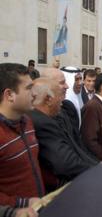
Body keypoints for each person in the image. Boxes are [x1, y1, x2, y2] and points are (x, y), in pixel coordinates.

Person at [30, 78, 98, 192]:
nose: (62, 102)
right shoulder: (43, 123)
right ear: (48, 99)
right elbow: (66, 163)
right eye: (60, 97)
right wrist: (97, 171)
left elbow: (76, 147)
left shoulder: (52, 117)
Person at [0, 63, 44, 207]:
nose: (35, 94)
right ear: (9, 95)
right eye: (29, 89)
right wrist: (22, 203)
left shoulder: (27, 122)